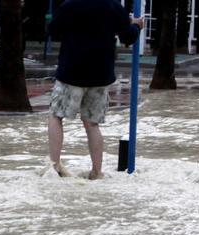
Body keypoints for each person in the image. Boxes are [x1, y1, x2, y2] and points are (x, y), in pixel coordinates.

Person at [47, 0, 143, 180]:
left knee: (56, 115)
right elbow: (127, 38)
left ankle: (54, 165)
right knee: (92, 124)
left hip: (71, 72)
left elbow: (53, 30)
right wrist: (137, 26)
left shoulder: (70, 5)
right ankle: (97, 171)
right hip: (100, 75)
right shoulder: (113, 6)